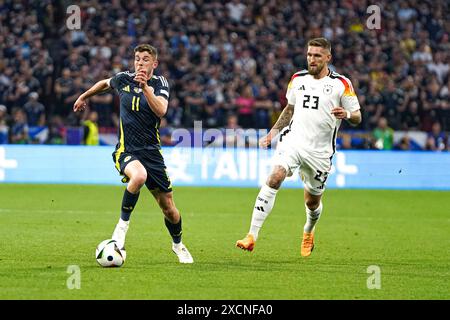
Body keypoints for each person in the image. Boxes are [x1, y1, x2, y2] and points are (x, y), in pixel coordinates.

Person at [236, 38, 362, 257]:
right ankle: (251, 236)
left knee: (312, 202)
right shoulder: (297, 78)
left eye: (317, 56)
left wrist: (347, 114)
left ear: (327, 58)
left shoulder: (342, 84)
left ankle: (308, 230)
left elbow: (358, 117)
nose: (311, 59)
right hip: (293, 142)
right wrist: (272, 134)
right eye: (309, 55)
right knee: (275, 177)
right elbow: (289, 109)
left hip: (320, 153)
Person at [73, 44, 193, 264]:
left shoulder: (160, 83)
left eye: (145, 59)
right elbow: (104, 83)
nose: (140, 63)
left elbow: (161, 110)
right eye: (137, 58)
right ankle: (121, 231)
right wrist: (84, 96)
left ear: (154, 64)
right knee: (138, 176)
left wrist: (145, 87)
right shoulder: (123, 79)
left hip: (152, 153)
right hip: (126, 150)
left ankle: (178, 245)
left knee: (170, 209)